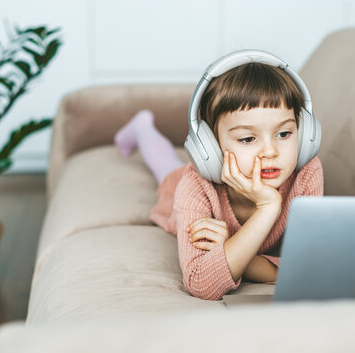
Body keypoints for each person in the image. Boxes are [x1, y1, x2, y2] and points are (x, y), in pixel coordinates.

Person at [114, 61, 323, 301]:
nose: (270, 151)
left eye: (284, 134)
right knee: (167, 168)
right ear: (210, 148)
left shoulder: (306, 172)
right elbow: (201, 284)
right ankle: (142, 128)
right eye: (247, 138)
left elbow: (306, 267)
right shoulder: (194, 185)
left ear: (306, 135)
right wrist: (267, 209)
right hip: (178, 186)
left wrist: (230, 247)